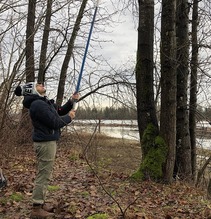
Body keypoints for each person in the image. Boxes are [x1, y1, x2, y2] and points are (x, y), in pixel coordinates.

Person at [15, 82, 80, 219]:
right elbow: (55, 122)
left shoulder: (43, 102)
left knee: (45, 173)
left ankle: (41, 203)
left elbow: (59, 111)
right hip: (45, 143)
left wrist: (71, 101)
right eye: (38, 85)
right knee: (44, 175)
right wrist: (70, 118)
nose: (42, 84)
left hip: (47, 141)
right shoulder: (38, 105)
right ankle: (36, 208)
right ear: (32, 90)